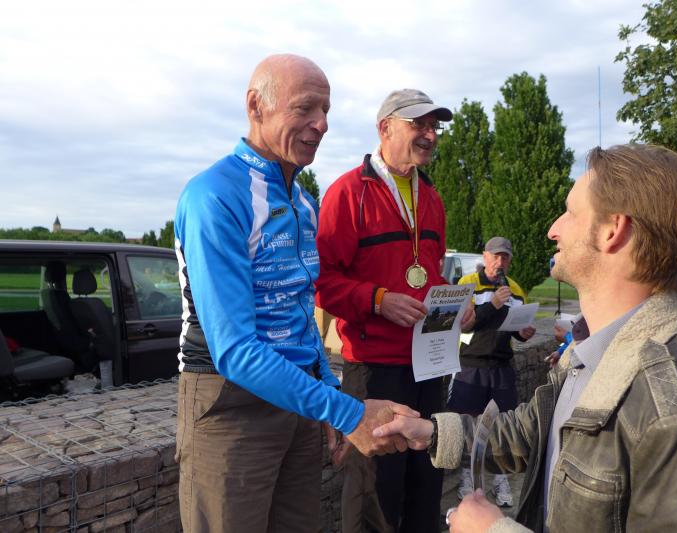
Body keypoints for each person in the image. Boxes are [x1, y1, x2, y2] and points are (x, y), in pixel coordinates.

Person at [374, 144, 677, 532]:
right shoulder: (593, 350)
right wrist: (432, 432)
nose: (553, 230)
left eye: (570, 212)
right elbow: (535, 432)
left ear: (613, 230)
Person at [173, 54, 417, 533]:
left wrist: (327, 395)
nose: (321, 124)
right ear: (255, 106)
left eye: (326, 110)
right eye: (305, 108)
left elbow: (302, 315)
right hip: (229, 403)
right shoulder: (214, 195)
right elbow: (234, 350)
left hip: (298, 400)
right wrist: (347, 412)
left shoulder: (304, 202)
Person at [316, 88, 473, 532]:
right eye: (418, 124)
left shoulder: (433, 198)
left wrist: (455, 304)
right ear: (385, 128)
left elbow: (429, 275)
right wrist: (378, 300)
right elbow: (322, 282)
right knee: (374, 494)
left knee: (426, 482)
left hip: (429, 365)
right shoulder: (348, 192)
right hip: (375, 368)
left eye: (434, 126)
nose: (430, 134)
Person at [447, 236, 535, 506]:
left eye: (505, 257)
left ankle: (500, 479)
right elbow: (463, 324)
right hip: (470, 364)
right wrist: (493, 304)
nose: (500, 262)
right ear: (484, 256)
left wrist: (523, 333)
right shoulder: (467, 284)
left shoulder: (515, 289)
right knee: (467, 422)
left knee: (502, 423)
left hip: (501, 366)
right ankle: (466, 478)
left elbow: (515, 327)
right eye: (495, 256)